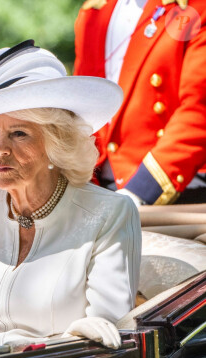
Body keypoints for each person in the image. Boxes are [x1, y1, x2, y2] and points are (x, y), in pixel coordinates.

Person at [0, 40, 142, 357]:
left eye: (19, 133)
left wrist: (59, 343)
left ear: (55, 142)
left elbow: (111, 339)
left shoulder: (109, 214)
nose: (1, 148)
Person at [74, 0, 206, 205]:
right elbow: (84, 107)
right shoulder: (94, 10)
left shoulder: (198, 7)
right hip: (97, 188)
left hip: (172, 190)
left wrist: (142, 189)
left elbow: (198, 111)